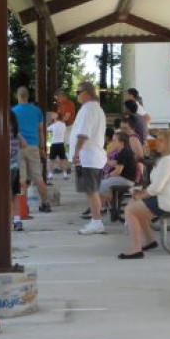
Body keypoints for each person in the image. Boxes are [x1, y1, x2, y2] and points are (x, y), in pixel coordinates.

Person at [120, 129, 170, 259]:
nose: (156, 143)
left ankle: (136, 249)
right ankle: (149, 241)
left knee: (130, 210)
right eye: (156, 139)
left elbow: (156, 188)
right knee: (135, 204)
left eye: (160, 141)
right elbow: (156, 186)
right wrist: (140, 194)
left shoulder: (168, 161)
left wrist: (141, 195)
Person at [71, 81, 107, 235]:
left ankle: (97, 221)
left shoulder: (88, 109)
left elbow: (83, 133)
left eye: (78, 92)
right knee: (92, 190)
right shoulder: (96, 108)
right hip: (93, 156)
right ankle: (95, 220)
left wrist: (77, 152)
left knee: (91, 191)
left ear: (86, 92)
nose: (77, 95)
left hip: (88, 156)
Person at [12, 86, 52, 213]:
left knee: (21, 178)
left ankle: (23, 208)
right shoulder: (37, 111)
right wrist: (41, 147)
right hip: (33, 146)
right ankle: (46, 203)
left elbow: (12, 131)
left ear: (17, 96)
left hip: (17, 147)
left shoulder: (12, 111)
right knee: (38, 177)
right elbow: (41, 130)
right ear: (28, 97)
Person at [98, 131, 137, 210]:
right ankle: (111, 204)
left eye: (114, 140)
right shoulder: (124, 151)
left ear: (121, 143)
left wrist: (108, 175)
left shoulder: (124, 152)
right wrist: (108, 155)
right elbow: (113, 164)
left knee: (101, 184)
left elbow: (117, 171)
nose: (112, 142)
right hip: (127, 179)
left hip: (127, 180)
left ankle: (105, 206)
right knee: (103, 182)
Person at [9, 110, 27, 231]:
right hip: (15, 166)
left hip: (5, 168)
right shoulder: (16, 133)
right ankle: (17, 219)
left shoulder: (2, 132)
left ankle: (8, 220)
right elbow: (24, 144)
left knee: (5, 196)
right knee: (14, 195)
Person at [46, 111, 69, 179]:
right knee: (62, 160)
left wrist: (51, 122)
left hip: (54, 144)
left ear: (56, 118)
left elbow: (47, 129)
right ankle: (65, 174)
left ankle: (50, 174)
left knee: (51, 160)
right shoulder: (63, 125)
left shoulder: (53, 125)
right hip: (61, 144)